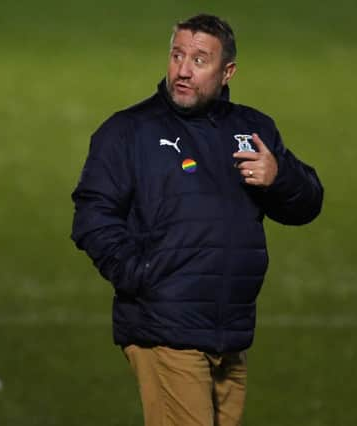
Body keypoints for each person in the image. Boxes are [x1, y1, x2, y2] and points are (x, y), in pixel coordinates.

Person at [71, 14, 324, 426]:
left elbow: (308, 204)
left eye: (199, 60)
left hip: (230, 332)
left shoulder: (253, 129)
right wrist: (142, 273)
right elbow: (92, 214)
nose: (183, 70)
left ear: (228, 72)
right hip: (166, 327)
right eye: (177, 55)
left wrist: (280, 178)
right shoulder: (128, 132)